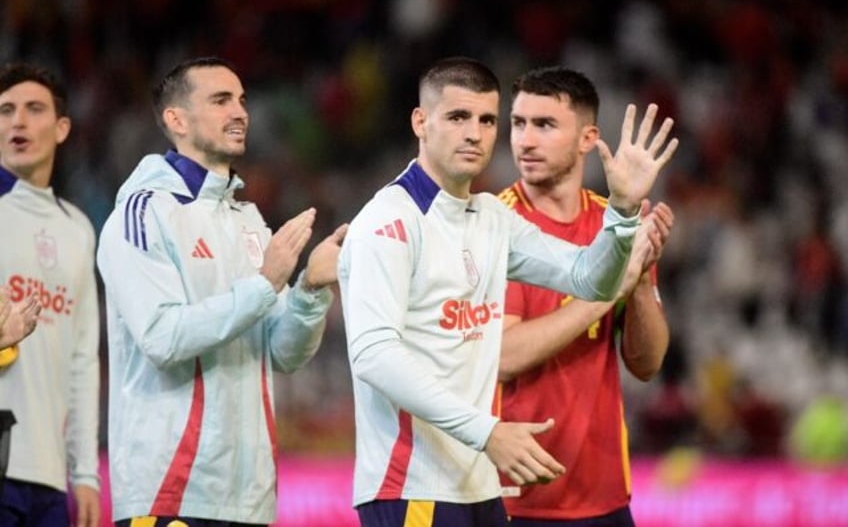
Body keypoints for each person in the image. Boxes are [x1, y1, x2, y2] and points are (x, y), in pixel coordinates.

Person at [337, 56, 677, 527]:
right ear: (421, 121)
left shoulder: (490, 218)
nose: (475, 133)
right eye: (458, 117)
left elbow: (589, 277)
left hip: (480, 487)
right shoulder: (388, 221)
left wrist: (620, 210)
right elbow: (374, 354)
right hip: (413, 486)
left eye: (486, 120)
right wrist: (488, 431)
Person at [96, 56, 347, 526]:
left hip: (247, 494)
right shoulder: (143, 213)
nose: (240, 112)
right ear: (177, 120)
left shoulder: (247, 219)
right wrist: (266, 283)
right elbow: (161, 337)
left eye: (242, 100)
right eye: (220, 100)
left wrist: (310, 289)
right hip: (171, 489)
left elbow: (281, 353)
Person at [496, 66, 674, 526]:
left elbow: (648, 363)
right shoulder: (492, 225)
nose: (525, 141)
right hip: (511, 497)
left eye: (545, 125)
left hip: (605, 497)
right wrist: (606, 290)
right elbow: (504, 355)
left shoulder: (615, 225)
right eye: (518, 124)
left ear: (587, 138)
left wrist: (635, 283)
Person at [0, 62, 101, 527]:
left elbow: (82, 359)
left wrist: (85, 473)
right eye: (5, 111)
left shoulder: (78, 230)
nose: (17, 121)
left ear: (62, 128)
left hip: (48, 476)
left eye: (33, 109)